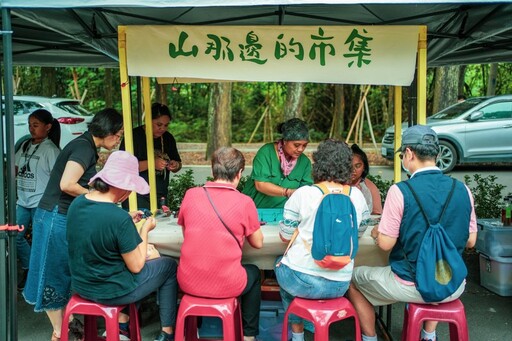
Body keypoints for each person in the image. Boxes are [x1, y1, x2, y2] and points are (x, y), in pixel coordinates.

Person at [347, 125, 477, 341]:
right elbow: (471, 240)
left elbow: (387, 244)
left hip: (410, 285)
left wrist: (378, 233)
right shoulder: (463, 189)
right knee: (437, 273)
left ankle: (370, 338)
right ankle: (428, 335)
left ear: (408, 153)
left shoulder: (401, 191)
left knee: (351, 278)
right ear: (436, 153)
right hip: (454, 285)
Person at [23, 108, 124, 341]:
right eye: (118, 134)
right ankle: (61, 332)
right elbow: (67, 184)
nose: (118, 139)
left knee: (61, 272)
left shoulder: (87, 146)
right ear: (107, 132)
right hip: (54, 216)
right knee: (53, 273)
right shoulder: (83, 147)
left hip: (59, 216)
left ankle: (64, 326)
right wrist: (95, 196)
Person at [67, 151, 178, 341]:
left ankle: (123, 323)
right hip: (111, 291)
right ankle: (167, 333)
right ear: (123, 186)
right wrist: (144, 230)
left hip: (81, 285)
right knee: (167, 266)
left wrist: (126, 218)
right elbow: (136, 265)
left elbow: (97, 225)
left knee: (141, 264)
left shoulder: (77, 204)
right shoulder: (118, 219)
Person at [275, 139, 370, 341]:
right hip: (340, 284)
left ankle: (298, 334)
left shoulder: (303, 194)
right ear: (347, 166)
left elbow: (284, 235)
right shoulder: (357, 196)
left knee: (279, 266)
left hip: (303, 282)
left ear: (318, 164)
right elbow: (359, 233)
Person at [177, 147, 264, 341]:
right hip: (227, 284)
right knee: (255, 272)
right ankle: (248, 336)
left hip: (187, 282)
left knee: (198, 267)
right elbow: (257, 243)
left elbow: (186, 233)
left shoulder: (191, 195)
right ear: (240, 173)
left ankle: (193, 330)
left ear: (213, 170)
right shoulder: (244, 201)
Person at [15, 109, 61, 290]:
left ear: (48, 127)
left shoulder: (51, 150)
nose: (31, 129)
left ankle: (38, 278)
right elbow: (15, 166)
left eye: (36, 125)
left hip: (40, 203)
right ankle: (29, 267)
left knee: (41, 240)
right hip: (22, 201)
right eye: (30, 125)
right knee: (16, 236)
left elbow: (58, 179)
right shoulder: (26, 145)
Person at [120, 102, 181, 209]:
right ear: (148, 121)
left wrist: (175, 165)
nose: (162, 129)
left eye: (166, 125)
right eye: (159, 125)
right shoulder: (133, 136)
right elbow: (124, 167)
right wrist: (151, 163)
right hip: (136, 195)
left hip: (160, 195)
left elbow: (178, 164)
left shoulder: (168, 138)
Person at [243, 118, 313, 208]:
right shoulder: (266, 152)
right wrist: (288, 192)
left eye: (304, 145)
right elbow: (260, 185)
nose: (300, 149)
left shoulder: (305, 162)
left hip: (286, 215)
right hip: (256, 210)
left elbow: (306, 192)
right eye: (296, 145)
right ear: (285, 141)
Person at [350, 144, 383, 215]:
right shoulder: (337, 186)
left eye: (358, 166)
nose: (353, 170)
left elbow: (377, 215)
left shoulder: (370, 187)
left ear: (364, 167)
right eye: (349, 166)